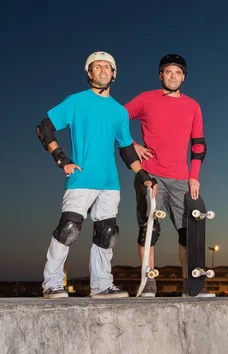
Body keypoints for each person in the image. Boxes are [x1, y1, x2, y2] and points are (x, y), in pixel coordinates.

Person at [36, 51, 156, 299]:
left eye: (107, 67)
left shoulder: (119, 112)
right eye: (97, 66)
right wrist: (61, 158)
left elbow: (126, 149)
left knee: (107, 233)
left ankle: (101, 285)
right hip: (81, 179)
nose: (102, 70)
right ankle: (52, 282)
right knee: (68, 228)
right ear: (89, 73)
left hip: (110, 183)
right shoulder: (76, 101)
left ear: (114, 74)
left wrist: (144, 175)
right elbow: (44, 127)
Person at [125, 54, 214, 297]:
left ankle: (191, 284)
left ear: (183, 77)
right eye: (168, 72)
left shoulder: (192, 105)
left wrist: (193, 176)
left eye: (178, 73)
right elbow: (117, 120)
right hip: (150, 175)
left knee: (189, 232)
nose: (173, 76)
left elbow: (198, 144)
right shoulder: (145, 99)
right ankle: (148, 283)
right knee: (149, 229)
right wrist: (133, 145)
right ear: (160, 75)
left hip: (181, 179)